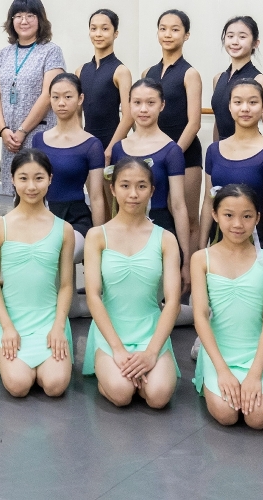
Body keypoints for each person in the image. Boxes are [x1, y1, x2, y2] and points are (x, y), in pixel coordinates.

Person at [82, 157, 182, 409]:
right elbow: (93, 296)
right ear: (113, 189)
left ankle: (143, 370)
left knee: (158, 397)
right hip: (111, 332)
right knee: (121, 393)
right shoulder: (97, 236)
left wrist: (151, 353)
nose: (133, 194)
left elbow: (172, 302)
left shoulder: (166, 239)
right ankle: (108, 373)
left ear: (152, 191)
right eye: (125, 186)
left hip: (151, 332)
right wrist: (117, 349)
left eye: (141, 186)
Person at [189, 184, 263, 427]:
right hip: (219, 352)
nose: (237, 224)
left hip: (258, 353)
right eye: (228, 215)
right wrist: (222, 371)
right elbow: (200, 316)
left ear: (257, 218)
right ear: (215, 215)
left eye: (247, 216)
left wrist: (255, 374)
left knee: (259, 418)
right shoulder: (201, 259)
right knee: (226, 414)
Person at [0, 149, 74, 398]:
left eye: (39, 178)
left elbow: (66, 285)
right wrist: (7, 327)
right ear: (12, 179)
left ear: (50, 179)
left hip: (49, 321)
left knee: (55, 385)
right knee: (18, 385)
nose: (31, 186)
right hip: (11, 320)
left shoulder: (64, 230)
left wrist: (58, 327)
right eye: (23, 178)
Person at [110, 78, 192, 269]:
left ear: (162, 105)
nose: (143, 109)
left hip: (160, 228)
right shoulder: (119, 148)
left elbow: (178, 205)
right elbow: (114, 201)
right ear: (128, 105)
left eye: (150, 103)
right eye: (137, 103)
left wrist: (186, 259)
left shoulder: (171, 150)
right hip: (124, 230)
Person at [0, 0, 66, 195]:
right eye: (18, 16)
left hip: (38, 134)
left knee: (37, 189)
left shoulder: (51, 51)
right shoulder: (4, 54)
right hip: (9, 138)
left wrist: (22, 131)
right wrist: (3, 130)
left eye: (30, 15)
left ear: (40, 19)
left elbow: (49, 95)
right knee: (16, 190)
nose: (24, 21)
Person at [200, 79, 263, 257]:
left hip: (255, 246)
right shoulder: (214, 150)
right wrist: (200, 249)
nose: (245, 108)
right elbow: (208, 203)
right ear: (230, 106)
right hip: (219, 243)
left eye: (253, 102)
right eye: (238, 102)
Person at [144, 10, 204, 248]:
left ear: (186, 35)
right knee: (157, 213)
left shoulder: (190, 74)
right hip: (154, 153)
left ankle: (190, 267)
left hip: (184, 153)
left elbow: (194, 122)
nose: (168, 34)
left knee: (188, 218)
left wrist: (173, 154)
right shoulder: (148, 73)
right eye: (163, 29)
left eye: (175, 29)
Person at [30, 73, 105, 244]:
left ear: (80, 99)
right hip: (44, 215)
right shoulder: (38, 140)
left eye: (68, 97)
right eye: (55, 97)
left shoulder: (91, 144)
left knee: (61, 248)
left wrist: (99, 242)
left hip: (76, 219)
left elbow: (96, 197)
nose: (61, 103)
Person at [209, 16, 263, 144]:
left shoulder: (260, 80)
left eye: (242, 37)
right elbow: (218, 122)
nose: (235, 42)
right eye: (230, 36)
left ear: (255, 43)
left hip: (250, 148)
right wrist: (215, 150)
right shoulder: (218, 78)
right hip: (224, 149)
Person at [77, 9, 133, 161]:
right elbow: (76, 114)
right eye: (93, 28)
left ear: (116, 33)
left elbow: (128, 116)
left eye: (105, 29)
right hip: (87, 145)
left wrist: (110, 150)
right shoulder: (80, 71)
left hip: (112, 145)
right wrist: (79, 142)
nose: (98, 34)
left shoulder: (121, 71)